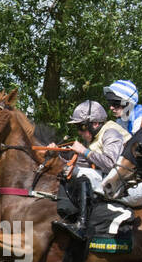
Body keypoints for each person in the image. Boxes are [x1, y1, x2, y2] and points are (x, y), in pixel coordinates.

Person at [54, 100, 132, 240]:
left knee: (79, 173)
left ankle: (82, 226)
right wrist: (57, 154)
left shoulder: (111, 132)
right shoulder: (96, 137)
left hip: (130, 186)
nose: (79, 131)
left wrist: (84, 151)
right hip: (114, 181)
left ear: (95, 124)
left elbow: (110, 164)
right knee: (71, 170)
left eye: (81, 127)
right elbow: (82, 161)